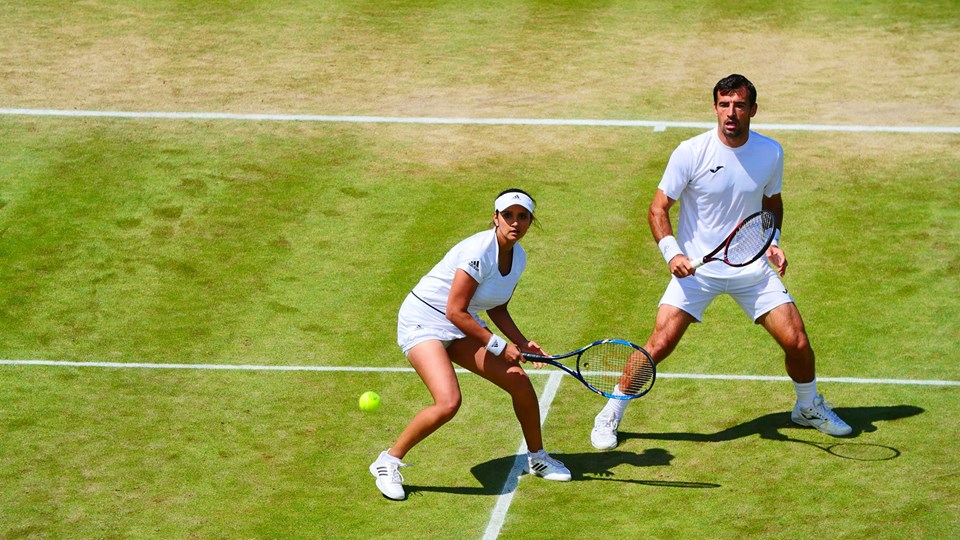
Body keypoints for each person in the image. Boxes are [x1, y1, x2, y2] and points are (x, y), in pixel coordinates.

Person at [590, 74, 852, 450]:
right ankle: (610, 412)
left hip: (752, 269)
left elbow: (772, 203)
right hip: (698, 272)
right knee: (659, 343)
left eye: (739, 105)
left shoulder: (770, 152)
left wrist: (772, 242)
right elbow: (658, 208)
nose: (731, 113)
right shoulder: (690, 152)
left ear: (753, 110)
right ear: (715, 108)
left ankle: (807, 407)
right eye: (724, 105)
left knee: (797, 341)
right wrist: (673, 253)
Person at [369, 188, 571, 501]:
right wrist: (500, 346)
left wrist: (521, 342)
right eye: (508, 215)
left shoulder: (518, 257)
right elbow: (455, 311)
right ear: (496, 217)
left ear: (530, 222)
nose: (515, 222)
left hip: (460, 322)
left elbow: (497, 307)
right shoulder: (479, 251)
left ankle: (537, 457)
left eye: (523, 216)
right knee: (448, 402)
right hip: (424, 319)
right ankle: (388, 461)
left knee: (518, 380)